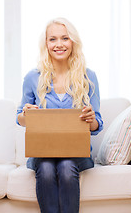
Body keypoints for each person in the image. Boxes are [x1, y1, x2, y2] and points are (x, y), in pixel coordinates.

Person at [16, 17, 103, 213]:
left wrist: (91, 121)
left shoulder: (88, 77)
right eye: (52, 39)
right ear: (46, 44)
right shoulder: (33, 77)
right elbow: (19, 118)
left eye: (65, 38)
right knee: (46, 168)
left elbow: (97, 124)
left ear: (73, 42)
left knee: (66, 166)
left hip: (77, 153)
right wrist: (26, 114)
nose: (59, 44)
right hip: (43, 153)